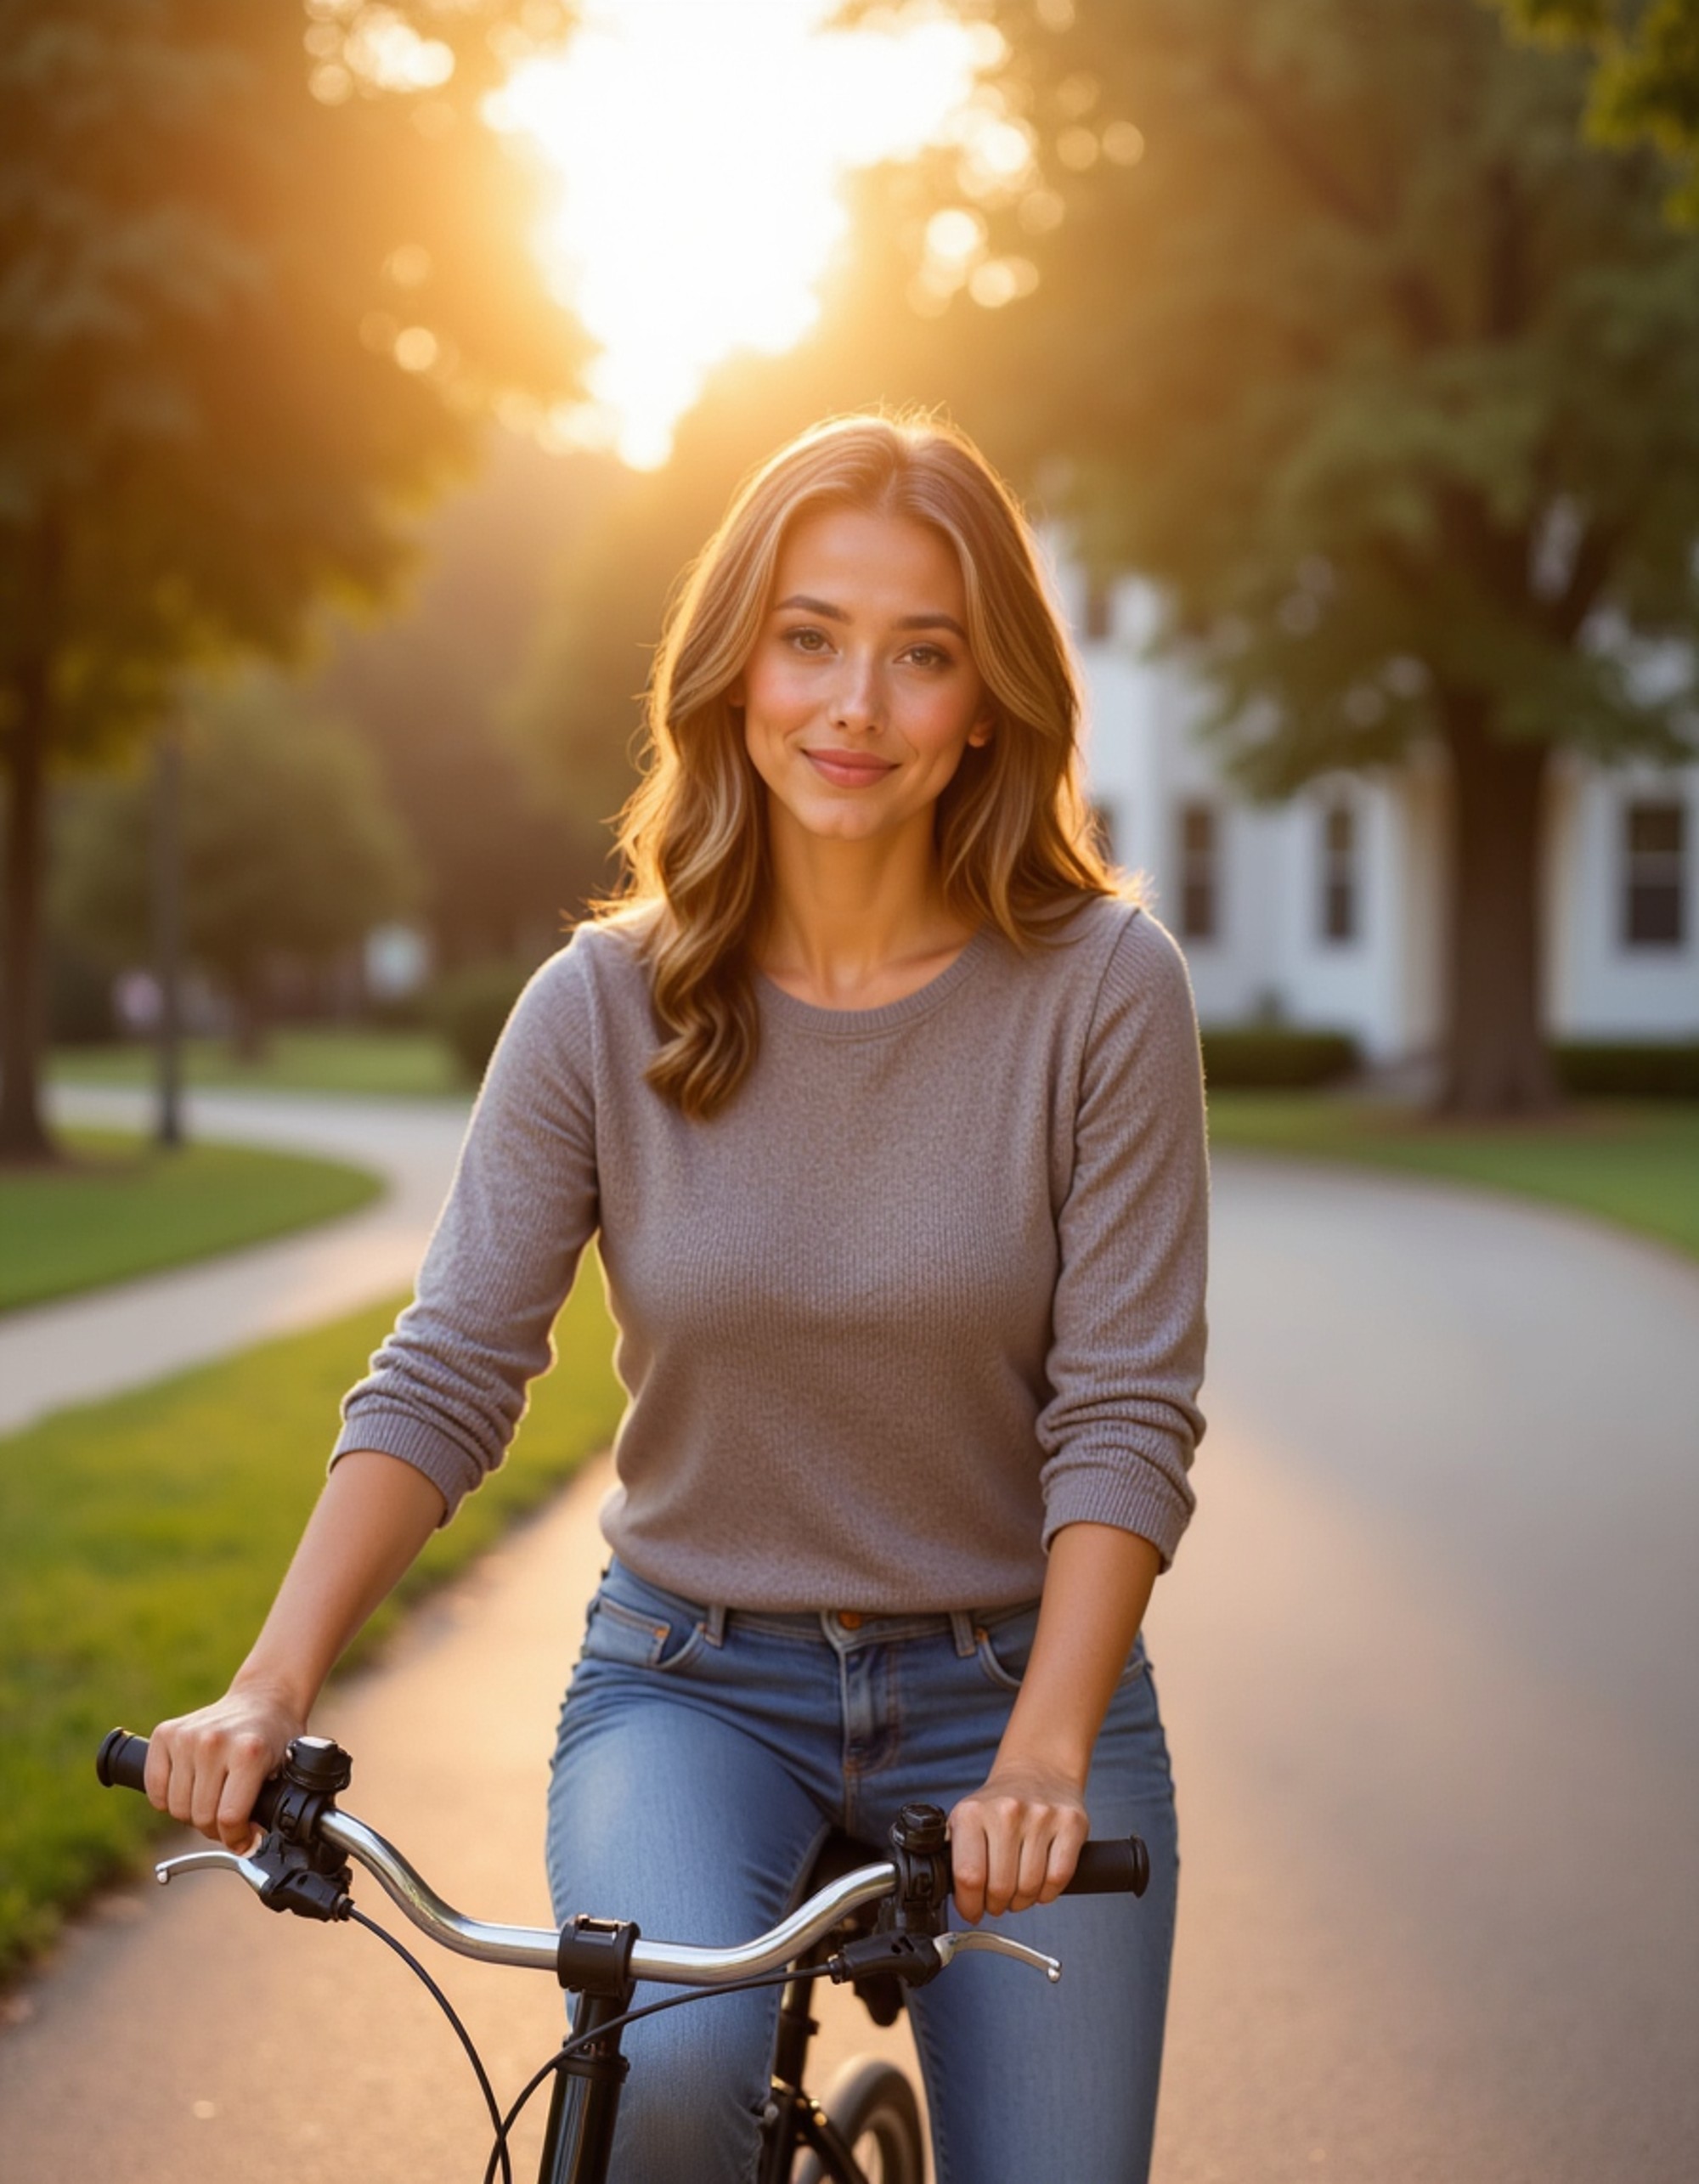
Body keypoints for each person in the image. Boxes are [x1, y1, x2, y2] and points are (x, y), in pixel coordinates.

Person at [145, 412, 1208, 2184]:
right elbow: (453, 1368)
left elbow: (1123, 1408)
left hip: (1015, 1686)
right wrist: (269, 1684)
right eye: (809, 635)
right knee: (662, 2078)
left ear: (988, 701)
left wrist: (1040, 1755)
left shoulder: (1099, 988)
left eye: (921, 652)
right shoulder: (599, 1003)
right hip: (694, 1685)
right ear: (733, 665)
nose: (854, 702)